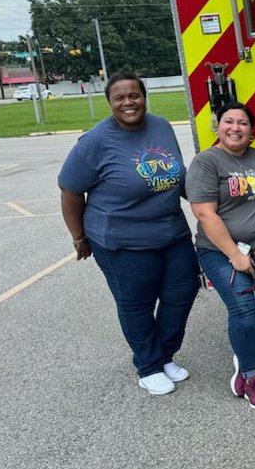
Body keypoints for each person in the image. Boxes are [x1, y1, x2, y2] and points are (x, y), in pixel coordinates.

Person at [58, 71, 199, 395]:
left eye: (133, 95)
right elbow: (69, 190)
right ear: (110, 102)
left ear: (144, 97)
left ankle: (163, 355)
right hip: (121, 241)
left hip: (172, 233)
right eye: (119, 97)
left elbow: (176, 176)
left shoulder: (161, 126)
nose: (128, 102)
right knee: (137, 303)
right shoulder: (95, 141)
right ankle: (148, 365)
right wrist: (79, 238)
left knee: (183, 291)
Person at [187, 104, 255, 410]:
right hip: (219, 249)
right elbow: (204, 212)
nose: (235, 127)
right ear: (218, 127)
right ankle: (252, 376)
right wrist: (234, 255)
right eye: (228, 121)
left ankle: (245, 354)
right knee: (242, 307)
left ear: (252, 132)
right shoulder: (206, 162)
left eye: (243, 123)